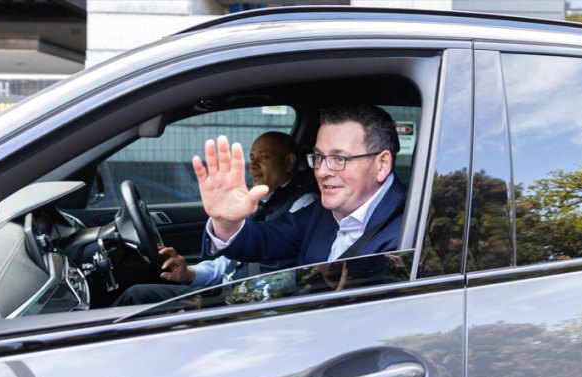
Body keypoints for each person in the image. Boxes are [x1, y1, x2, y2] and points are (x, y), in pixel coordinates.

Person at [194, 103, 406, 273]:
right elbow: (264, 240)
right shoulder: (323, 212)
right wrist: (227, 222)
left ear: (382, 165)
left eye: (339, 158)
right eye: (319, 157)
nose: (321, 171)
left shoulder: (411, 229)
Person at [113, 131, 317, 305]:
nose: (253, 165)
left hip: (247, 304)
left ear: (289, 162)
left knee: (136, 297)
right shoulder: (263, 201)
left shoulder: (304, 206)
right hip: (225, 291)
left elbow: (289, 276)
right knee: (136, 293)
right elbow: (230, 262)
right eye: (252, 158)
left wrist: (216, 305)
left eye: (263, 157)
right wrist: (189, 273)